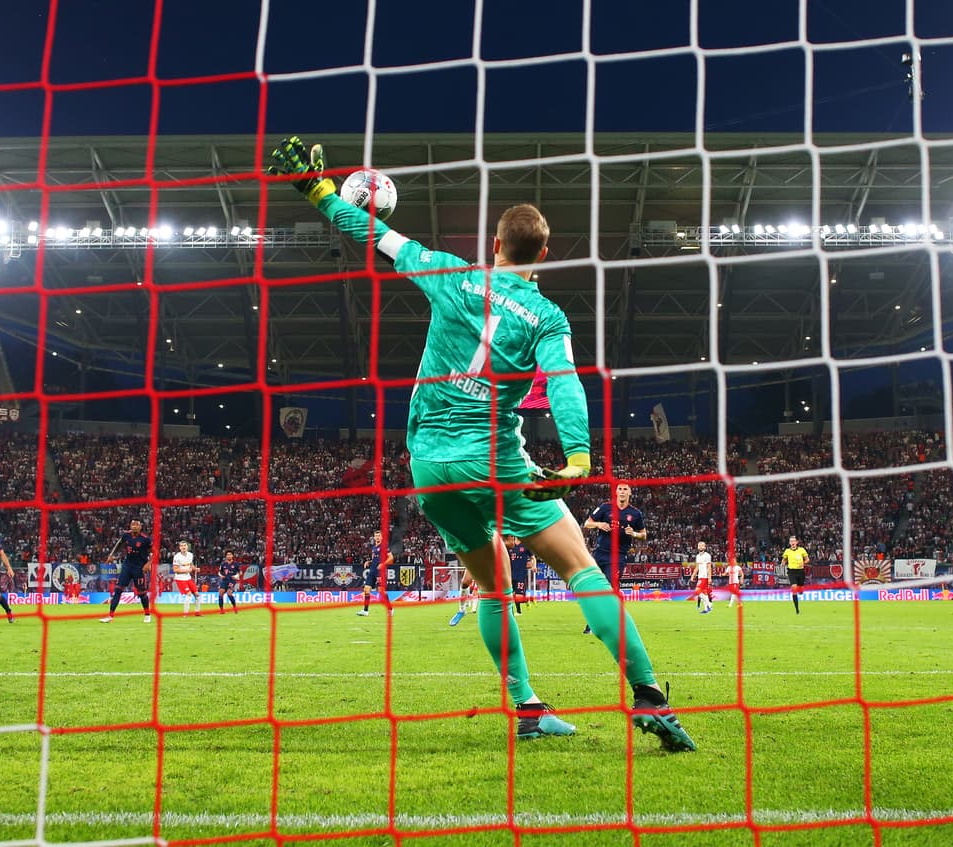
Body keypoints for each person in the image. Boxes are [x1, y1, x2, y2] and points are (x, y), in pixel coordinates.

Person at [268, 136, 695, 751]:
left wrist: (320, 193)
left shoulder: (450, 273)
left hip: (428, 465)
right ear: (542, 254)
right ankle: (651, 698)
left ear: (494, 246)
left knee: (492, 587)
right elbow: (566, 381)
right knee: (581, 568)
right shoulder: (547, 317)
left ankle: (528, 709)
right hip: (492, 460)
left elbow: (374, 238)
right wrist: (577, 454)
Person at [581, 483, 646, 634]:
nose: (622, 492)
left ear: (630, 493)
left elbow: (644, 534)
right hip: (600, 554)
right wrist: (599, 524)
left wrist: (634, 534)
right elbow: (587, 523)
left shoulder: (635, 514)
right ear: (616, 492)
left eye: (625, 489)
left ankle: (612, 622)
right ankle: (593, 623)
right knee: (594, 588)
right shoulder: (605, 507)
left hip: (618, 556)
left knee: (610, 588)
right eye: (620, 489)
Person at [101, 519, 153, 623]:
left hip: (139, 568)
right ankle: (110, 615)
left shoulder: (145, 539)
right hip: (127, 566)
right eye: (132, 524)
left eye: (136, 525)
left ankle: (147, 614)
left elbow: (155, 552)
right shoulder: (126, 535)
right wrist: (112, 555)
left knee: (142, 593)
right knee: (118, 590)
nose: (134, 526)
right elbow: (119, 545)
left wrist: (149, 563)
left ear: (140, 527)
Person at [359, 529, 394, 617]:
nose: (377, 537)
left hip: (380, 571)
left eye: (379, 535)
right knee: (366, 589)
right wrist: (369, 562)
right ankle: (365, 611)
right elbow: (375, 559)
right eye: (376, 536)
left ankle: (390, 608)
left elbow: (391, 558)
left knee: (381, 591)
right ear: (374, 537)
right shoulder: (374, 548)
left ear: (382, 537)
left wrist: (383, 564)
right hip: (372, 570)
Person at [506, 534, 536, 615]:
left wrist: (534, 566)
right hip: (510, 574)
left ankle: (527, 600)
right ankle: (515, 612)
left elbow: (533, 557)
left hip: (521, 575)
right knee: (510, 595)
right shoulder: (508, 546)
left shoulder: (525, 546)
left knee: (519, 597)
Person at [173, 540, 201, 617]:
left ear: (187, 547)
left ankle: (197, 612)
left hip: (188, 578)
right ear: (179, 548)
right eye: (181, 546)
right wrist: (187, 570)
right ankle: (185, 613)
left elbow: (191, 565)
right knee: (188, 594)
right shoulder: (177, 557)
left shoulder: (190, 555)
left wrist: (195, 569)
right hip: (180, 579)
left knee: (197, 594)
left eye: (184, 545)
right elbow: (175, 570)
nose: (183, 547)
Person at [782, 535, 809, 615]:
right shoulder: (787, 551)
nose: (792, 543)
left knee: (800, 591)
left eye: (794, 541)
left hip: (800, 571)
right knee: (794, 588)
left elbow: (807, 559)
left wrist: (803, 563)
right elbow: (784, 560)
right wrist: (783, 563)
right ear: (790, 543)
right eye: (791, 541)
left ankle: (800, 590)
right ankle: (797, 610)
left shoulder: (802, 550)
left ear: (796, 542)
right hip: (791, 572)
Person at [692, 541, 714, 614]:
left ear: (705, 547)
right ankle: (706, 609)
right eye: (699, 545)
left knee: (697, 591)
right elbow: (697, 567)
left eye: (702, 545)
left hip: (705, 576)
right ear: (698, 547)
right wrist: (693, 575)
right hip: (700, 576)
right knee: (704, 593)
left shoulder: (707, 555)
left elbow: (709, 567)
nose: (700, 547)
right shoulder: (698, 556)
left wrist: (710, 578)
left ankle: (709, 604)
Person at [217, 550, 241, 614]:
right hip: (224, 580)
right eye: (228, 555)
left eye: (230, 554)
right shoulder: (223, 564)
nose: (229, 556)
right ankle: (222, 610)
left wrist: (236, 576)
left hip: (232, 580)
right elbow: (219, 572)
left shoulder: (235, 564)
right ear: (226, 556)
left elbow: (240, 572)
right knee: (220, 593)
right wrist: (221, 575)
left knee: (229, 593)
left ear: (232, 556)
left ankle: (235, 607)